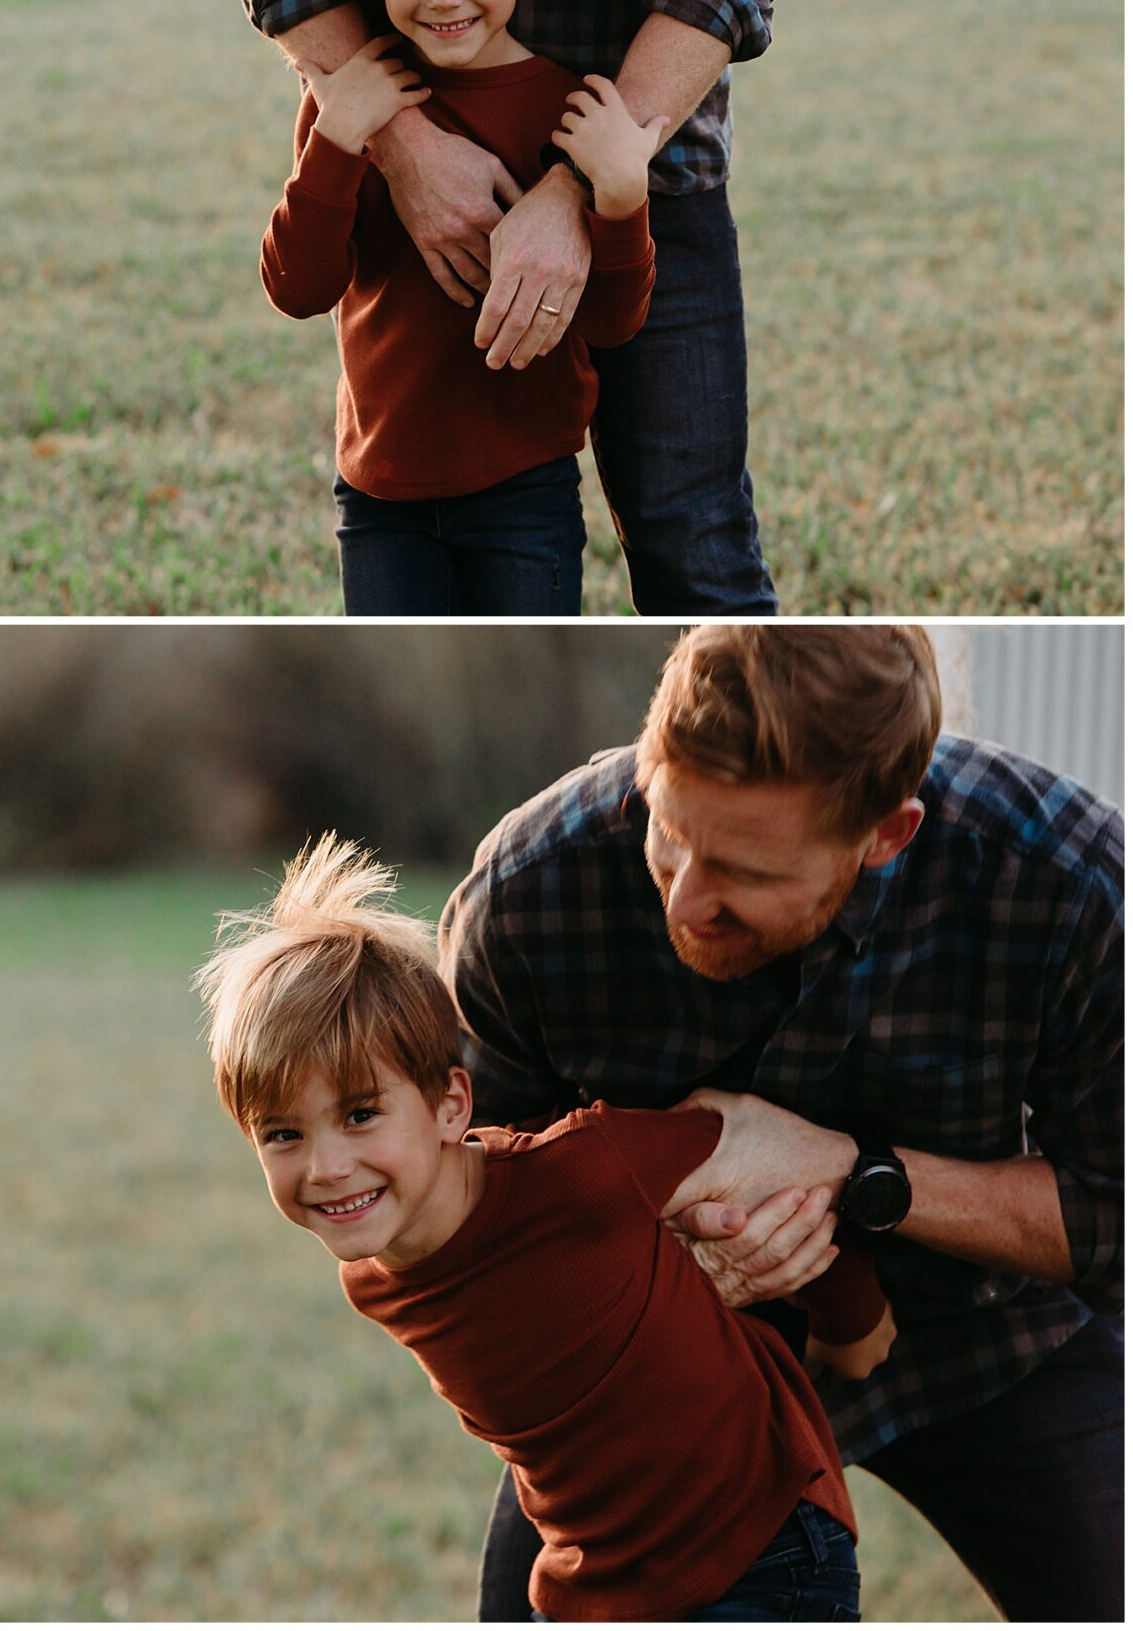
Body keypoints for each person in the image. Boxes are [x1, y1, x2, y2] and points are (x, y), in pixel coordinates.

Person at [439, 625, 1124, 1622]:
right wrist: (644, 1251)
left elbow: (1115, 1210)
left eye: (744, 872)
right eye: (669, 830)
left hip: (982, 1333)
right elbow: (475, 1203)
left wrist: (857, 1174)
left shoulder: (1064, 883)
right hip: (650, 1362)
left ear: (884, 833)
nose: (683, 897)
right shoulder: (526, 893)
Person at [196, 836, 897, 1621]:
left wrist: (850, 1320)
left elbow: (777, 1178)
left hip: (760, 1540)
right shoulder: (371, 1278)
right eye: (282, 1134)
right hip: (601, 1576)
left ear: (450, 1106)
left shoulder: (583, 1173)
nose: (325, 1165)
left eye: (360, 1115)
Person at [221, 0, 785, 614]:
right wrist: (395, 140)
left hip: (643, 156)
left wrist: (586, 191)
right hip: (389, 479)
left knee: (694, 541)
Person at [260, 0, 660, 615]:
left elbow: (611, 325)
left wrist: (619, 199)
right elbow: (297, 287)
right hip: (378, 496)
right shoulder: (355, 105)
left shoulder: (566, 109)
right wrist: (339, 135)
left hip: (525, 493)